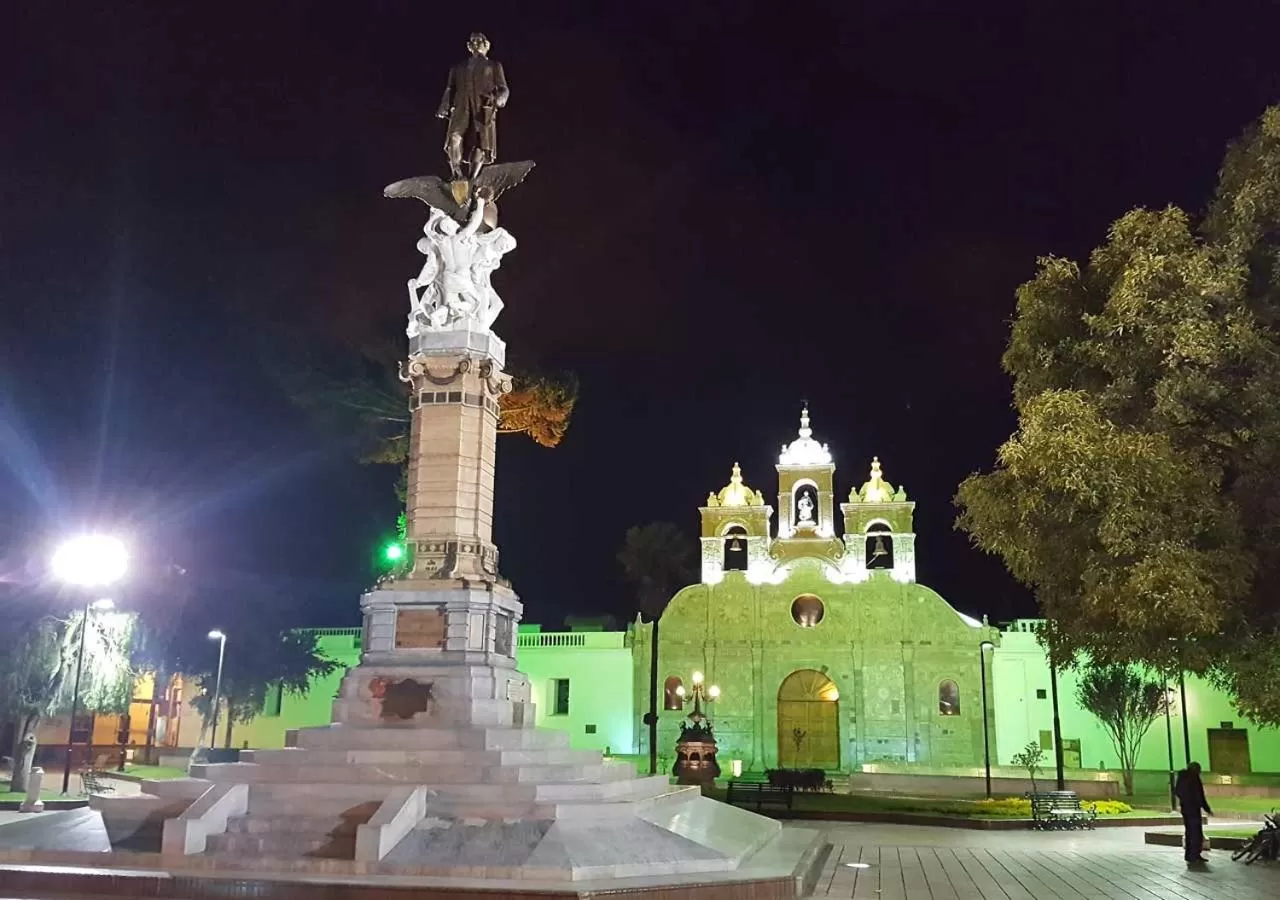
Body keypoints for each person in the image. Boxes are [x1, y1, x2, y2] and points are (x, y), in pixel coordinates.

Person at [1174, 761, 1212, 864]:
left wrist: (1184, 801)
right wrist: (1206, 808)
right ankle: (1194, 855)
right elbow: (1200, 795)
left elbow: (1177, 791)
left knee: (1190, 832)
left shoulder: (1182, 778)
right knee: (1196, 833)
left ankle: (1191, 855)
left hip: (1186, 809)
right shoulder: (1194, 778)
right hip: (1193, 809)